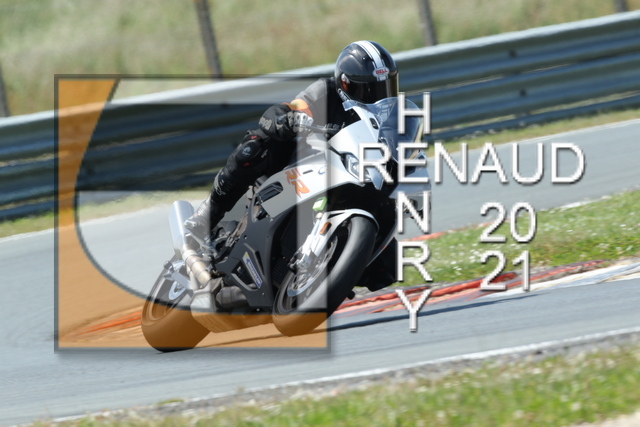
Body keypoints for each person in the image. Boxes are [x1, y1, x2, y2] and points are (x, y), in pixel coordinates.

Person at [185, 40, 399, 291]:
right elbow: (288, 109)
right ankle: (207, 216)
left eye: (384, 87)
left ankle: (322, 278)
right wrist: (287, 119)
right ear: (344, 84)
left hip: (355, 188)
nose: (377, 97)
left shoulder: (392, 121)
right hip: (302, 172)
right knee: (256, 146)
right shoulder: (326, 92)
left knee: (389, 268)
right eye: (368, 89)